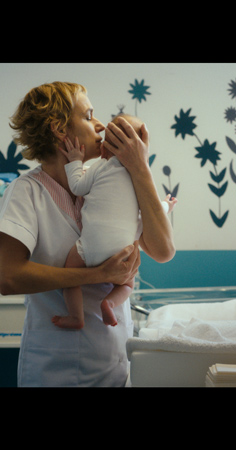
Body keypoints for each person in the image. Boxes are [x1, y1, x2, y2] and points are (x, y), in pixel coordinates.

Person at [0, 82, 175, 387]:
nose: (100, 125)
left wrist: (140, 167)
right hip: (56, 371)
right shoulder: (26, 192)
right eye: (89, 116)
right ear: (60, 129)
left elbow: (163, 250)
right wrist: (98, 274)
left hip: (115, 365)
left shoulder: (107, 183)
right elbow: (8, 278)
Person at [52, 114, 177, 330]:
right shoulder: (136, 180)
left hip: (89, 248)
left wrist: (75, 162)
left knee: (70, 273)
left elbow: (77, 187)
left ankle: (76, 316)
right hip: (123, 250)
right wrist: (166, 205)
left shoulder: (100, 167)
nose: (99, 125)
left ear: (104, 150)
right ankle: (109, 303)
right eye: (88, 116)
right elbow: (150, 209)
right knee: (128, 283)